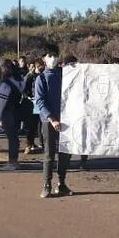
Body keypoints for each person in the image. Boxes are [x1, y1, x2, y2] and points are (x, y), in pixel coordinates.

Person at [35, 44, 73, 198]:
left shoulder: (65, 75)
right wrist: (52, 119)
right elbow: (40, 101)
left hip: (66, 120)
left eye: (54, 55)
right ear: (44, 59)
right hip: (49, 121)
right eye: (49, 56)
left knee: (65, 153)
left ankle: (62, 183)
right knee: (49, 154)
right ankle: (47, 184)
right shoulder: (41, 78)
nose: (53, 58)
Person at [0, 59, 24, 171]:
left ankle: (12, 162)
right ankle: (14, 160)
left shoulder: (5, 84)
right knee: (15, 137)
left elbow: (0, 102)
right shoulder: (20, 80)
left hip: (8, 112)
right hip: (17, 111)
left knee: (11, 137)